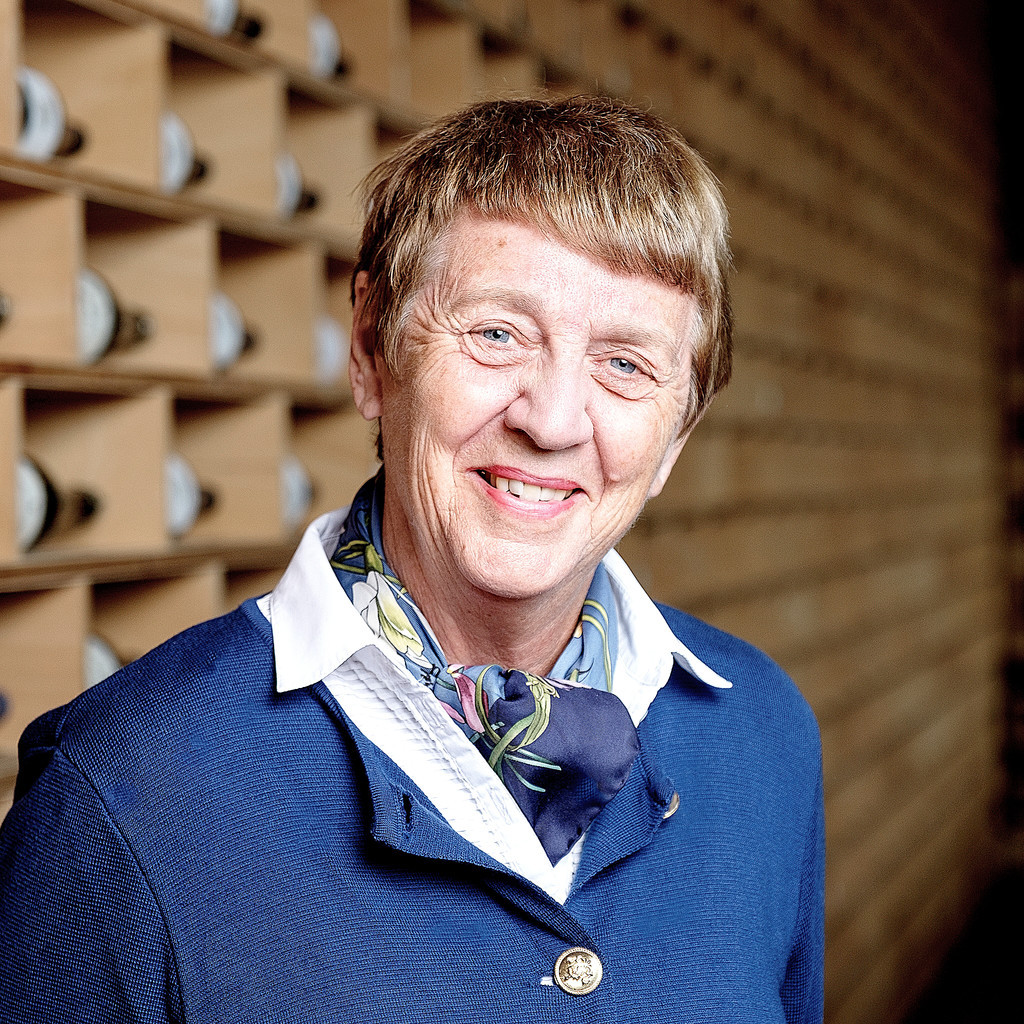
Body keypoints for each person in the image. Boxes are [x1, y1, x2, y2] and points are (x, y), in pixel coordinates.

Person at [0, 95, 823, 1022]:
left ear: (677, 435)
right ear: (371, 350)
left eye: (625, 364)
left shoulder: (764, 737)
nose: (550, 420)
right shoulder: (124, 791)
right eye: (496, 333)